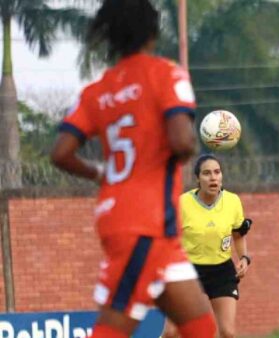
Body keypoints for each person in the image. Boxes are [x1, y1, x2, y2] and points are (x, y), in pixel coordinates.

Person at [49, 1, 216, 337]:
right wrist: (191, 148)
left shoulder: (97, 90)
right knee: (114, 327)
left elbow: (61, 152)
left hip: (129, 219)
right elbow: (182, 142)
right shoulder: (166, 74)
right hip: (146, 224)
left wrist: (100, 173)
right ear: (153, 33)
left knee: (202, 327)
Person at [162, 154, 252, 338]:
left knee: (228, 332)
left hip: (221, 272)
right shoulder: (182, 204)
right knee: (171, 332)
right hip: (189, 271)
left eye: (217, 172)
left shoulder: (232, 201)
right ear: (197, 179)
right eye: (207, 173)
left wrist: (244, 257)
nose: (213, 177)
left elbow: (238, 233)